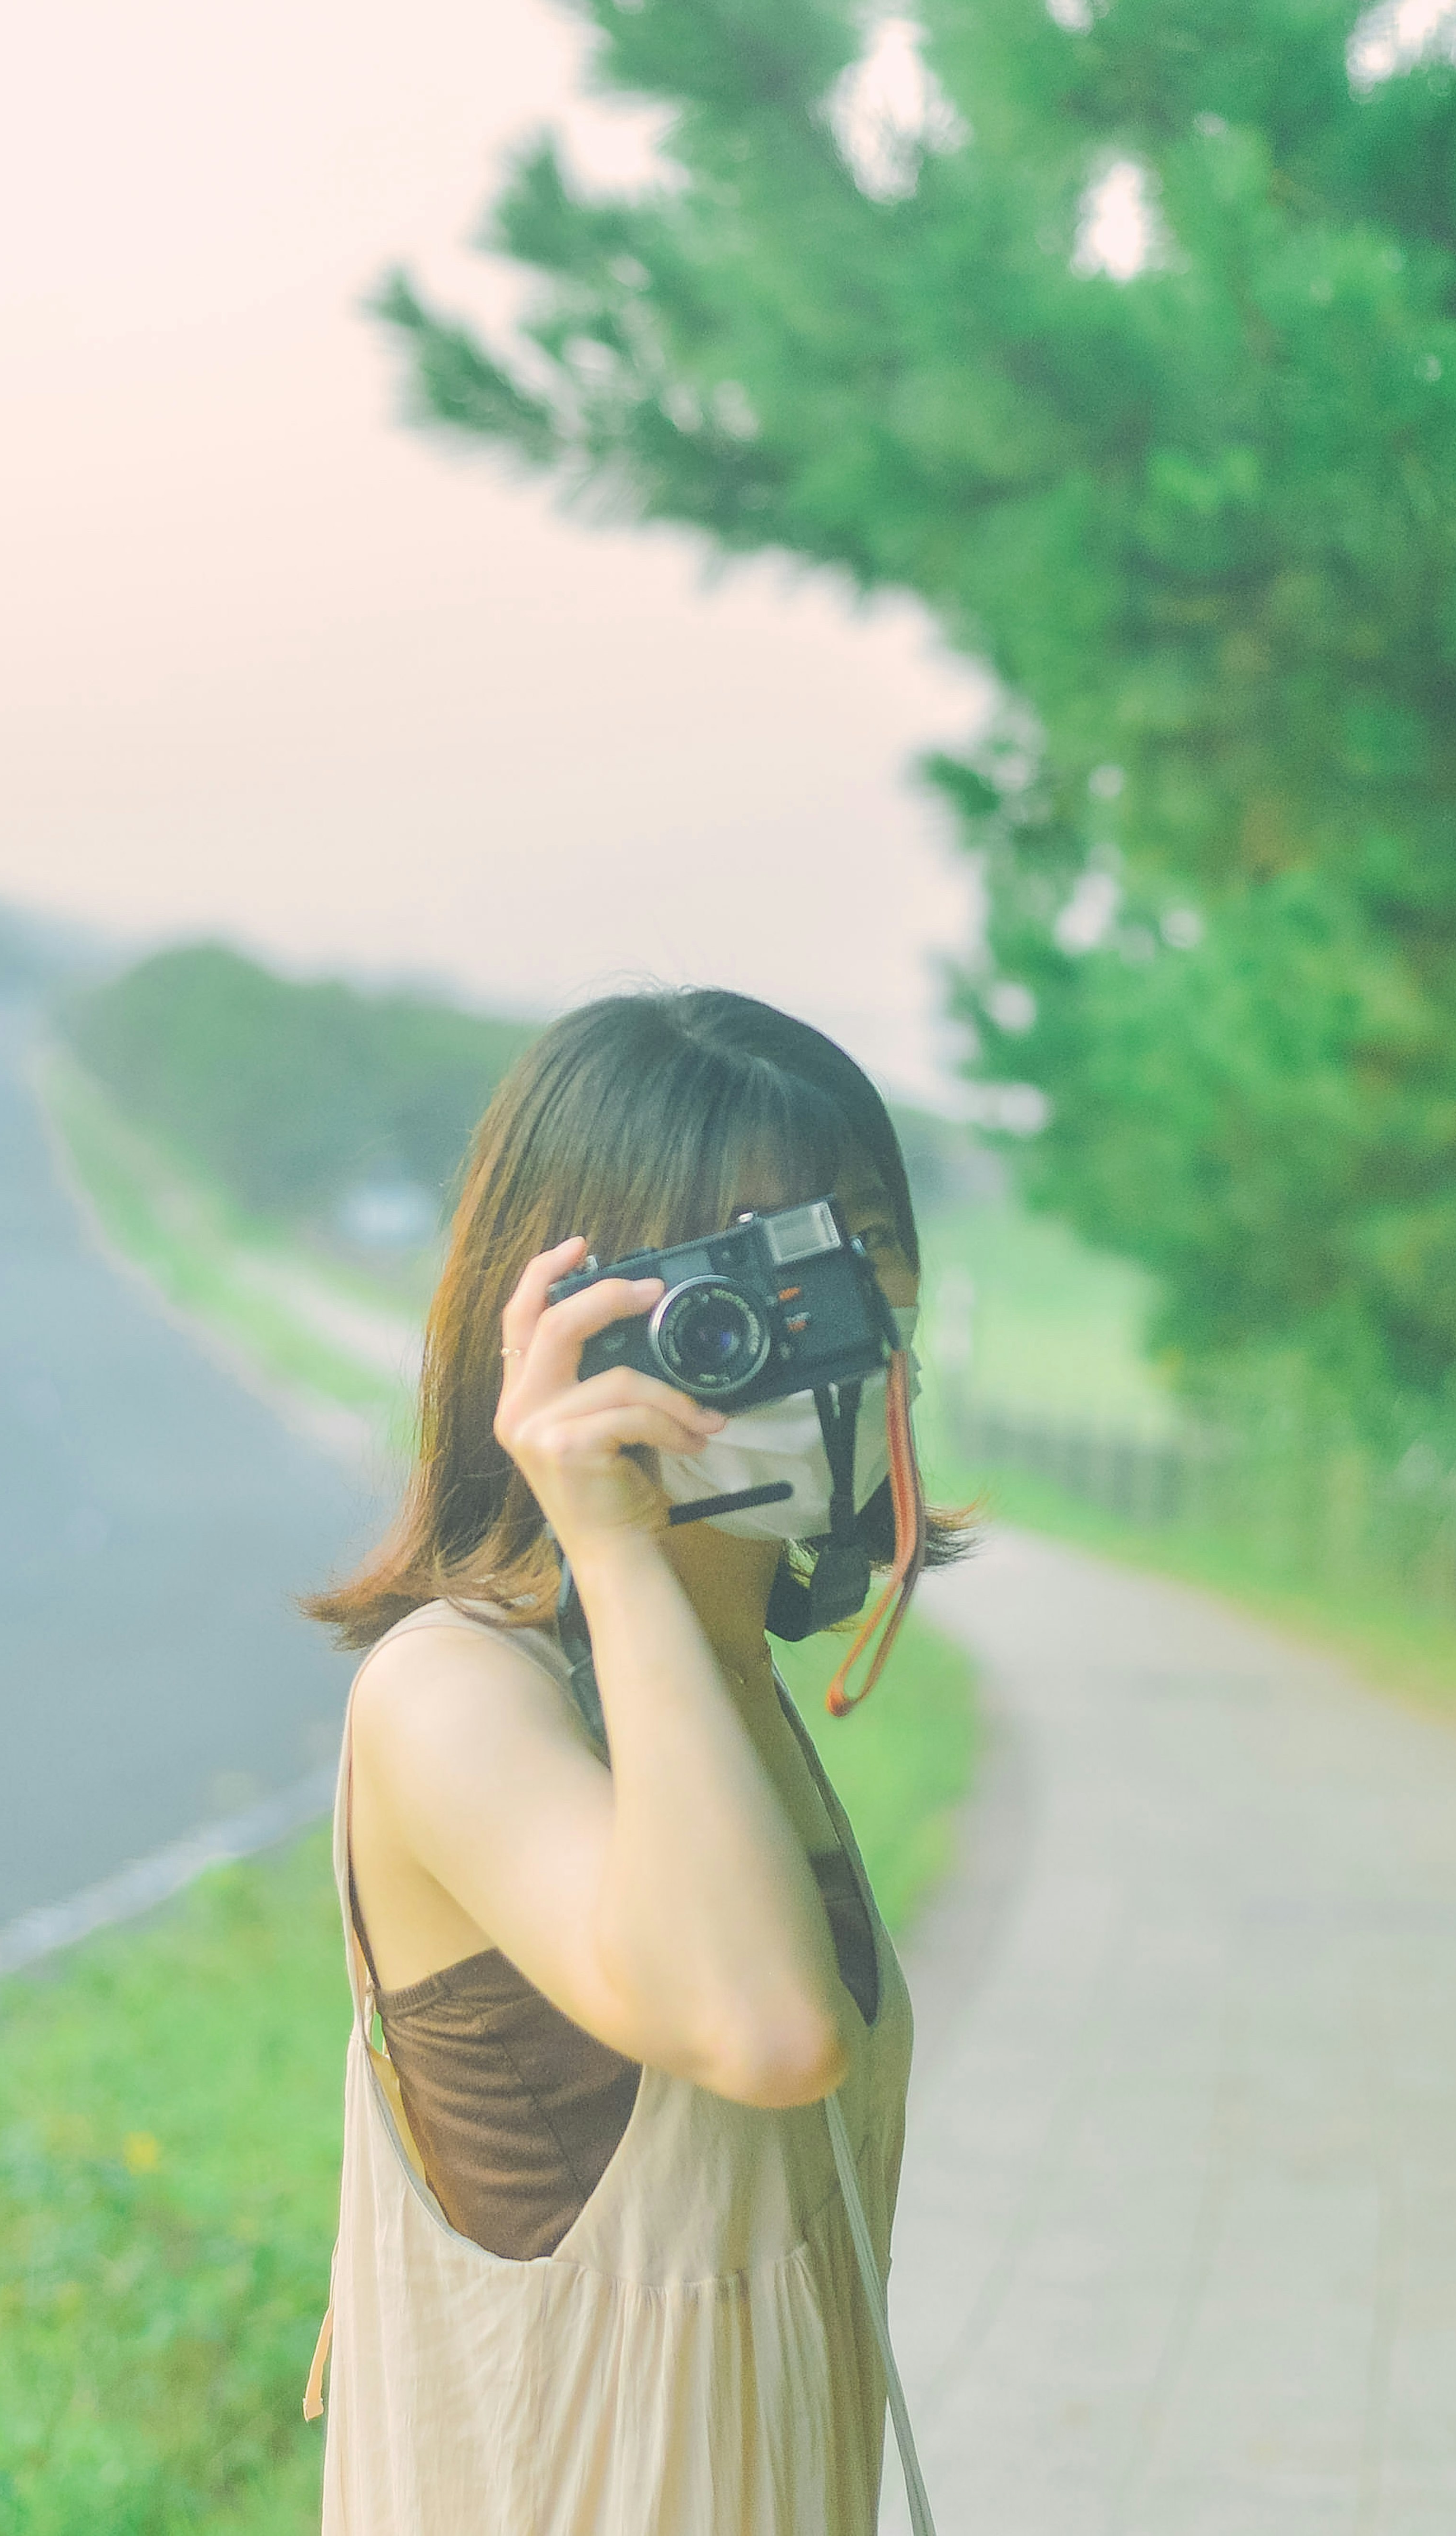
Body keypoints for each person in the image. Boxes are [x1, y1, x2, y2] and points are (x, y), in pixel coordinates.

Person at [301, 988, 968, 2535]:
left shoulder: (727, 1685)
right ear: (565, 1321)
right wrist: (608, 1536)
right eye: (741, 1282)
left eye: (862, 1254)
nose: (832, 1323)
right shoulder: (455, 1693)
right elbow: (762, 2028)